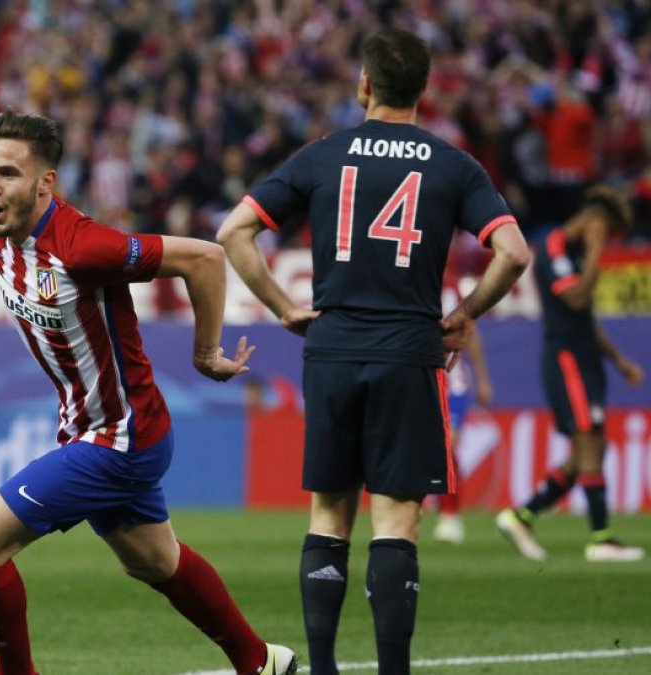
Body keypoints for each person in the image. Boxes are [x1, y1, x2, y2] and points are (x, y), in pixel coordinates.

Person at [0, 58, 298, 675]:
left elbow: (203, 258)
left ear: (46, 184)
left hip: (120, 439)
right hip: (97, 426)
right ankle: (261, 662)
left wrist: (205, 354)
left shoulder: (81, 246)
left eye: (7, 174)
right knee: (153, 561)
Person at [217, 30, 530, 675]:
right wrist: (465, 313)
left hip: (331, 348)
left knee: (330, 513)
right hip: (410, 350)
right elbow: (514, 253)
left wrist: (282, 307)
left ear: (364, 84)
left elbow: (234, 231)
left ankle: (325, 668)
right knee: (397, 522)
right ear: (424, 89)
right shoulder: (453, 164)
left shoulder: (323, 155)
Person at [495, 186, 645, 563]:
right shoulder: (555, 248)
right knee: (590, 443)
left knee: (589, 451)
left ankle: (521, 515)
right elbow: (576, 299)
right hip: (568, 361)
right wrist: (597, 250)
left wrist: (618, 360)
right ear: (595, 221)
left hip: (583, 358)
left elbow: (584, 318)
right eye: (607, 231)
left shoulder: (573, 253)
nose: (606, 240)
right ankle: (601, 538)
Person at [431, 271, 495, 545]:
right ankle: (423, 509)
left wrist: (482, 378)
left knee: (448, 444)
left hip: (452, 380)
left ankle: (450, 516)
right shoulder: (411, 282)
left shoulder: (454, 288)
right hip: (418, 377)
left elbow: (472, 334)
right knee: (421, 447)